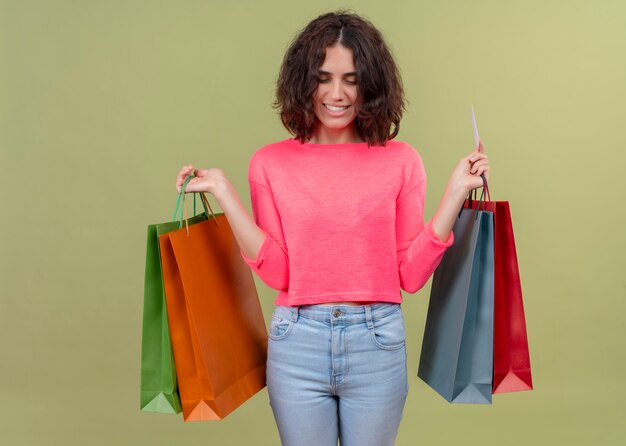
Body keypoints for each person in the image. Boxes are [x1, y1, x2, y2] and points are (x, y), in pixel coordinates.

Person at [175, 11, 489, 446]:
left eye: (351, 79)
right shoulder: (269, 163)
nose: (336, 94)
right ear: (304, 82)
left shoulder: (401, 161)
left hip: (376, 342)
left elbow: (410, 276)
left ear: (371, 84)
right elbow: (279, 274)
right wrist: (225, 193)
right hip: (296, 342)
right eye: (323, 78)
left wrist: (454, 194)